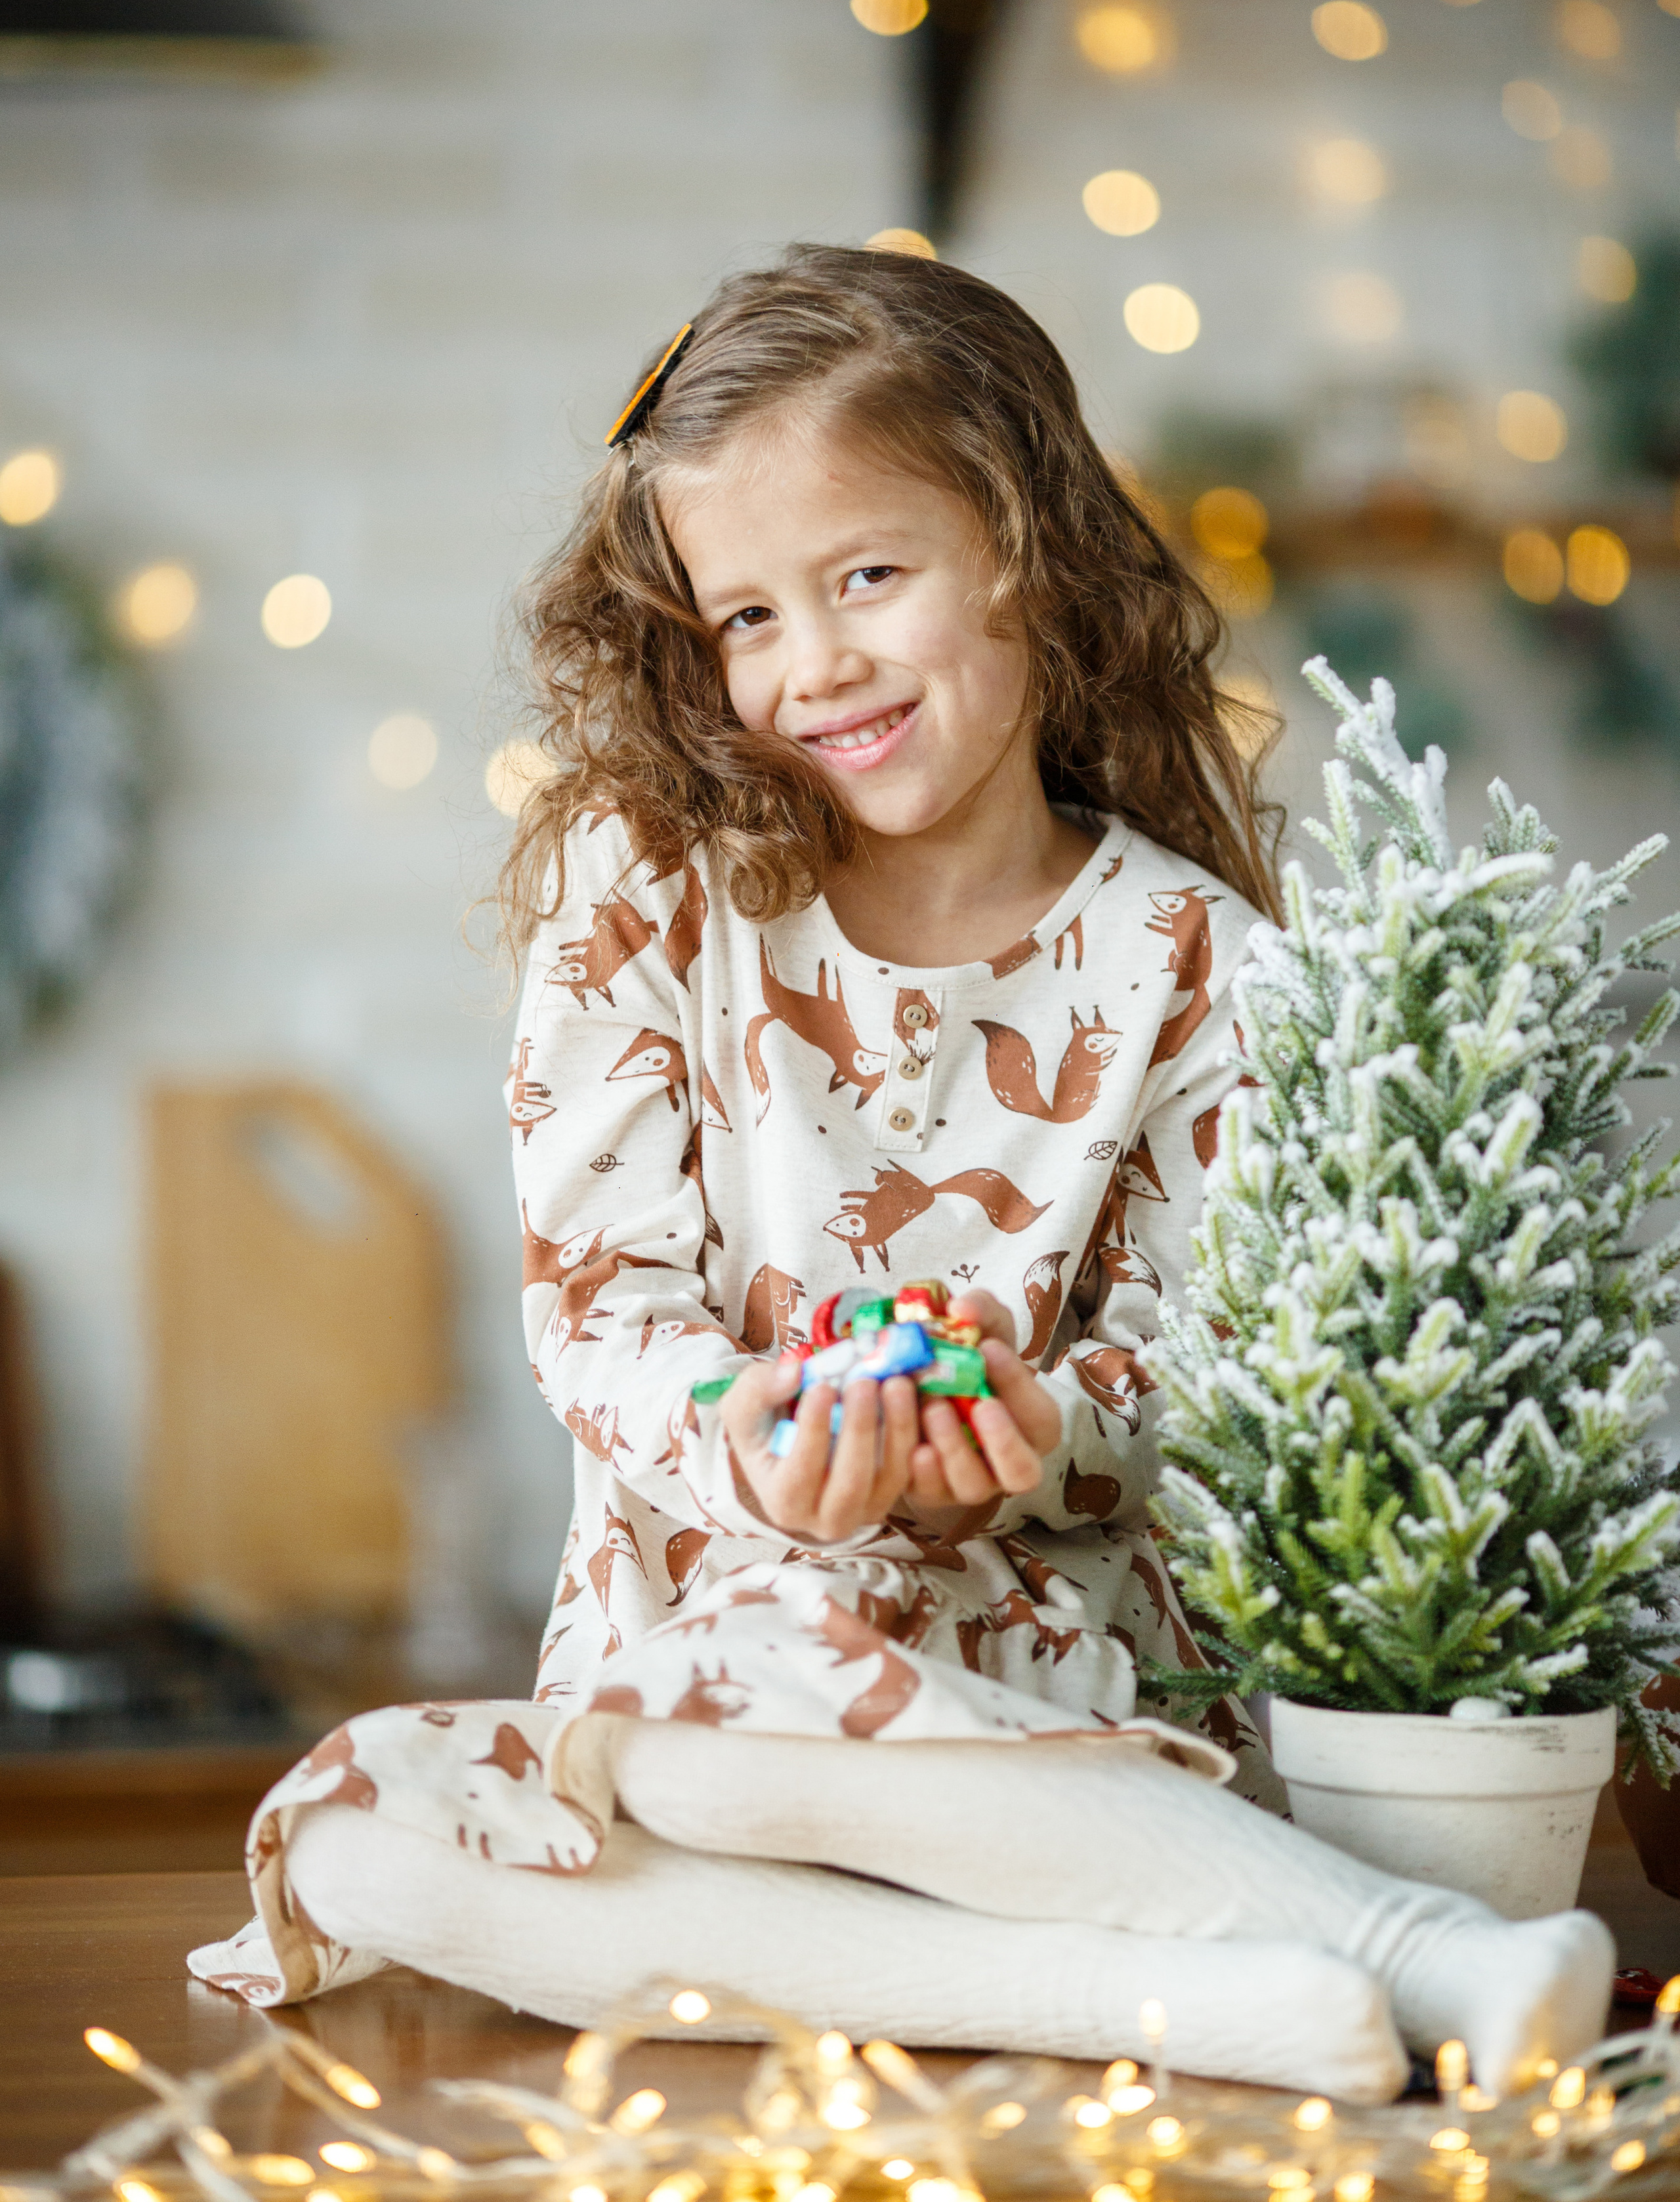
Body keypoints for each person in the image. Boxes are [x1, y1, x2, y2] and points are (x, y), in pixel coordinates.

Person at [190, 247, 1610, 2100]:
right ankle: (1225, 2004)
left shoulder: (1198, 961)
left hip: (1026, 1690)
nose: (815, 665)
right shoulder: (649, 887)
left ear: (1030, 549)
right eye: (748, 614)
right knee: (348, 1847)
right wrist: (752, 1438)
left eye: (867, 576)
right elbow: (598, 1305)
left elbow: (1216, 1374)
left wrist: (1044, 1427)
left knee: (713, 1738)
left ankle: (1420, 1953)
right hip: (686, 1655)